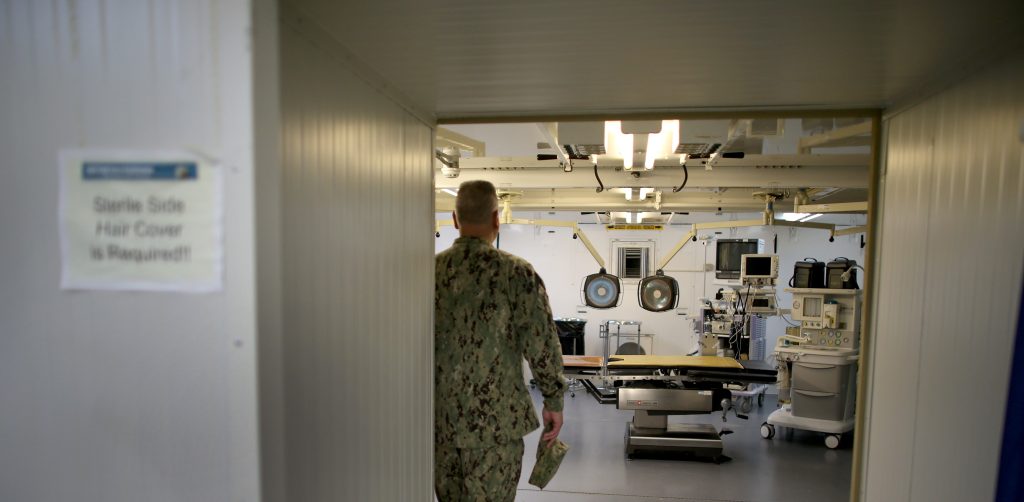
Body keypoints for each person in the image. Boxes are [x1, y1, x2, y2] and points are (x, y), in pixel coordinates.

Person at [434, 180, 566, 502]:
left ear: (455, 219)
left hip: (441, 424)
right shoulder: (516, 273)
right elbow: (542, 345)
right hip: (497, 427)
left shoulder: (429, 272)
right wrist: (553, 401)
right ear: (496, 219)